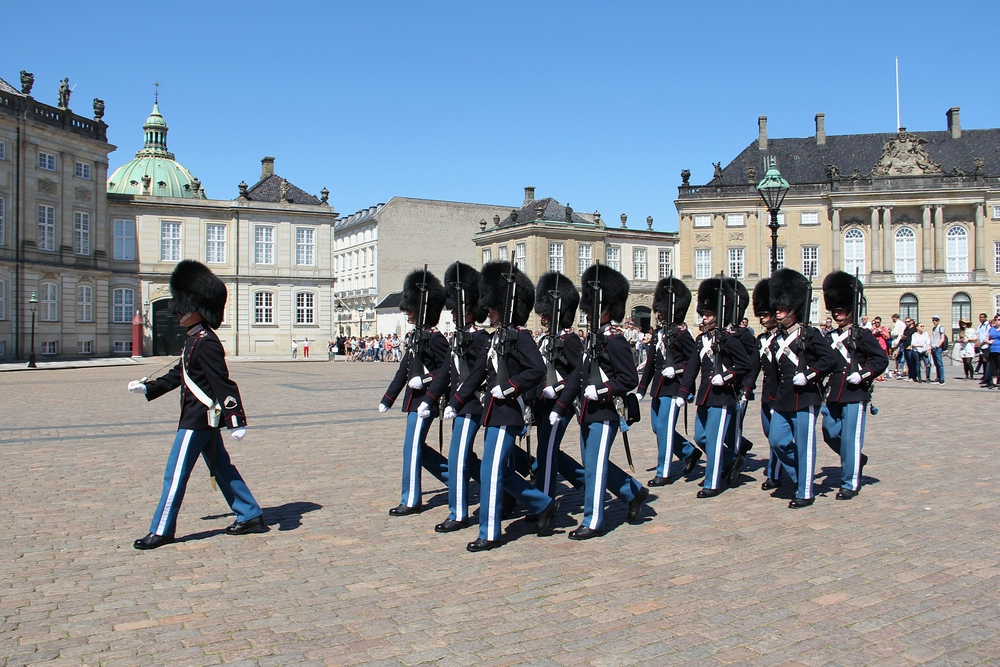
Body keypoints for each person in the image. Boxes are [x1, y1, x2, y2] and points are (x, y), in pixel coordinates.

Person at [127, 260, 264, 549]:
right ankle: (250, 513)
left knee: (174, 474)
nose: (177, 312)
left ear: (198, 308)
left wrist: (236, 420)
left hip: (197, 419)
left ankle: (162, 529)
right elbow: (181, 373)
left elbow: (222, 383)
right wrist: (149, 387)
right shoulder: (194, 339)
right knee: (222, 468)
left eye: (183, 306)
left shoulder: (206, 341)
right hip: (200, 418)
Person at [445, 262, 556, 551]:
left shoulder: (521, 336)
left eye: (493, 307)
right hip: (492, 413)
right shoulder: (495, 338)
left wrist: (511, 386)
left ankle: (490, 532)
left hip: (509, 411)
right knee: (497, 471)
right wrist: (456, 402)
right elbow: (477, 374)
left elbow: (537, 369)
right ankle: (542, 503)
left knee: (491, 472)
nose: (489, 311)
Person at [570, 264, 649, 537]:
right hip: (587, 411)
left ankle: (593, 521)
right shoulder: (592, 338)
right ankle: (633, 491)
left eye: (594, 308)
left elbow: (629, 379)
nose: (589, 312)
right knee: (593, 463)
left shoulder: (614, 340)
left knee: (594, 467)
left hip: (605, 412)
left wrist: (603, 390)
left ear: (607, 310)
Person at [378, 269, 450, 516]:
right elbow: (404, 369)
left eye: (411, 309)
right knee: (416, 448)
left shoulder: (436, 339)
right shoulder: (416, 336)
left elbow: (447, 371)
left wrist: (426, 380)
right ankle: (455, 479)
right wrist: (388, 398)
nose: (407, 313)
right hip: (413, 401)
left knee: (411, 449)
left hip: (425, 402)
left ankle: (410, 499)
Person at [767, 268, 838, 508]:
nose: (778, 312)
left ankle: (805, 491)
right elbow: (774, 373)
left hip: (805, 398)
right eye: (777, 308)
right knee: (777, 441)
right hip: (783, 399)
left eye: (782, 308)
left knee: (805, 446)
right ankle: (801, 475)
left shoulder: (810, 334)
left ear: (794, 310)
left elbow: (829, 360)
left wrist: (809, 374)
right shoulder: (776, 339)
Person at [676, 276, 752, 498]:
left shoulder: (729, 338)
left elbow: (744, 365)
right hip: (705, 395)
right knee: (701, 437)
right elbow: (692, 367)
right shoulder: (701, 339)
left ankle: (712, 482)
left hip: (722, 396)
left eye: (709, 314)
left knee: (715, 440)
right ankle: (732, 459)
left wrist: (727, 376)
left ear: (719, 315)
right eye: (704, 314)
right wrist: (683, 392)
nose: (705, 318)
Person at [820, 271, 888, 500]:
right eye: (835, 310)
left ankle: (849, 482)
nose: (837, 314)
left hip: (854, 392)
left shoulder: (862, 335)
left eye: (841, 310)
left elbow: (880, 360)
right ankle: (856, 458)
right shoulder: (829, 337)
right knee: (830, 433)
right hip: (834, 392)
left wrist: (863, 374)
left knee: (850, 439)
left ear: (851, 310)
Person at [434, 262, 491, 533]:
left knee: (456, 458)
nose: (454, 314)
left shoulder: (480, 338)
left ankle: (458, 513)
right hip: (458, 405)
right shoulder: (457, 337)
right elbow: (445, 372)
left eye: (458, 310)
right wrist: (430, 399)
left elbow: (478, 374)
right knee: (465, 458)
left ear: (470, 311)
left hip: (471, 404)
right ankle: (516, 494)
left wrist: (457, 401)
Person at [531, 271, 586, 503]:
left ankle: (545, 501)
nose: (543, 317)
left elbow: (579, 373)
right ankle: (584, 479)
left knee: (545, 450)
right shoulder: (546, 338)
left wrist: (559, 387)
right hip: (544, 403)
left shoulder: (570, 339)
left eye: (546, 312)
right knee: (547, 449)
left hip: (562, 404)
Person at [636, 277, 696, 486]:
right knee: (657, 427)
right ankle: (688, 452)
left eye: (662, 309)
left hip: (674, 388)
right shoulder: (658, 333)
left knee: (664, 428)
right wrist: (641, 388)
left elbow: (694, 361)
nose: (659, 313)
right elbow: (651, 363)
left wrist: (678, 370)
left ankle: (664, 472)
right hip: (659, 388)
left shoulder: (682, 334)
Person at [750, 279, 786, 491]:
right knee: (768, 432)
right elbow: (754, 367)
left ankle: (775, 473)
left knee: (776, 436)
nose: (762, 318)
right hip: (767, 392)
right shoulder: (762, 339)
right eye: (761, 314)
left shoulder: (785, 338)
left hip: (783, 392)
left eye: (765, 314)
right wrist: (746, 388)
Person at [929, 316, 946, 384]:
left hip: (937, 348)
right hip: (933, 347)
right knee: (936, 363)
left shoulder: (940, 327)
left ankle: (942, 379)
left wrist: (938, 346)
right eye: (933, 320)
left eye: (936, 320)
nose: (934, 322)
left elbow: (942, 338)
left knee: (939, 363)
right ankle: (938, 377)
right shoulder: (934, 328)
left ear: (938, 321)